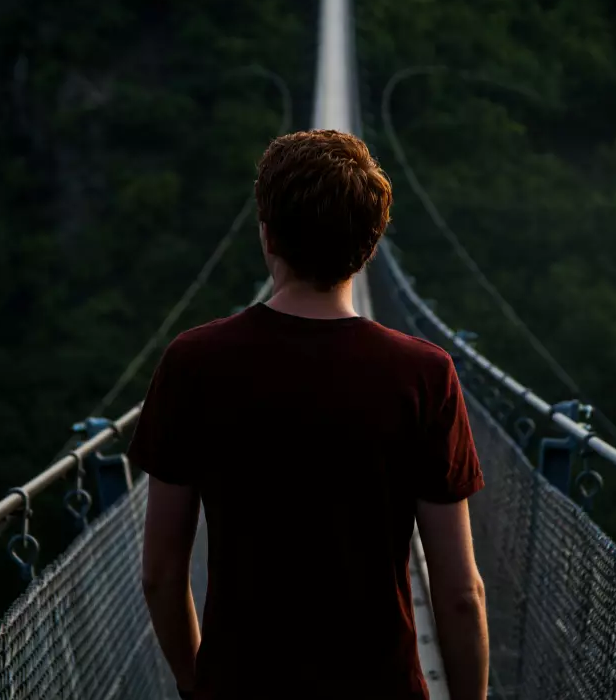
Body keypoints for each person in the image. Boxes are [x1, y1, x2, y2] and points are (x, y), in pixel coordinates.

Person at [128, 129, 489, 699]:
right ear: (371, 245)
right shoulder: (425, 375)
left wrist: (197, 683)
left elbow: (161, 574)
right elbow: (459, 592)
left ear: (267, 235)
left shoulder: (193, 363)